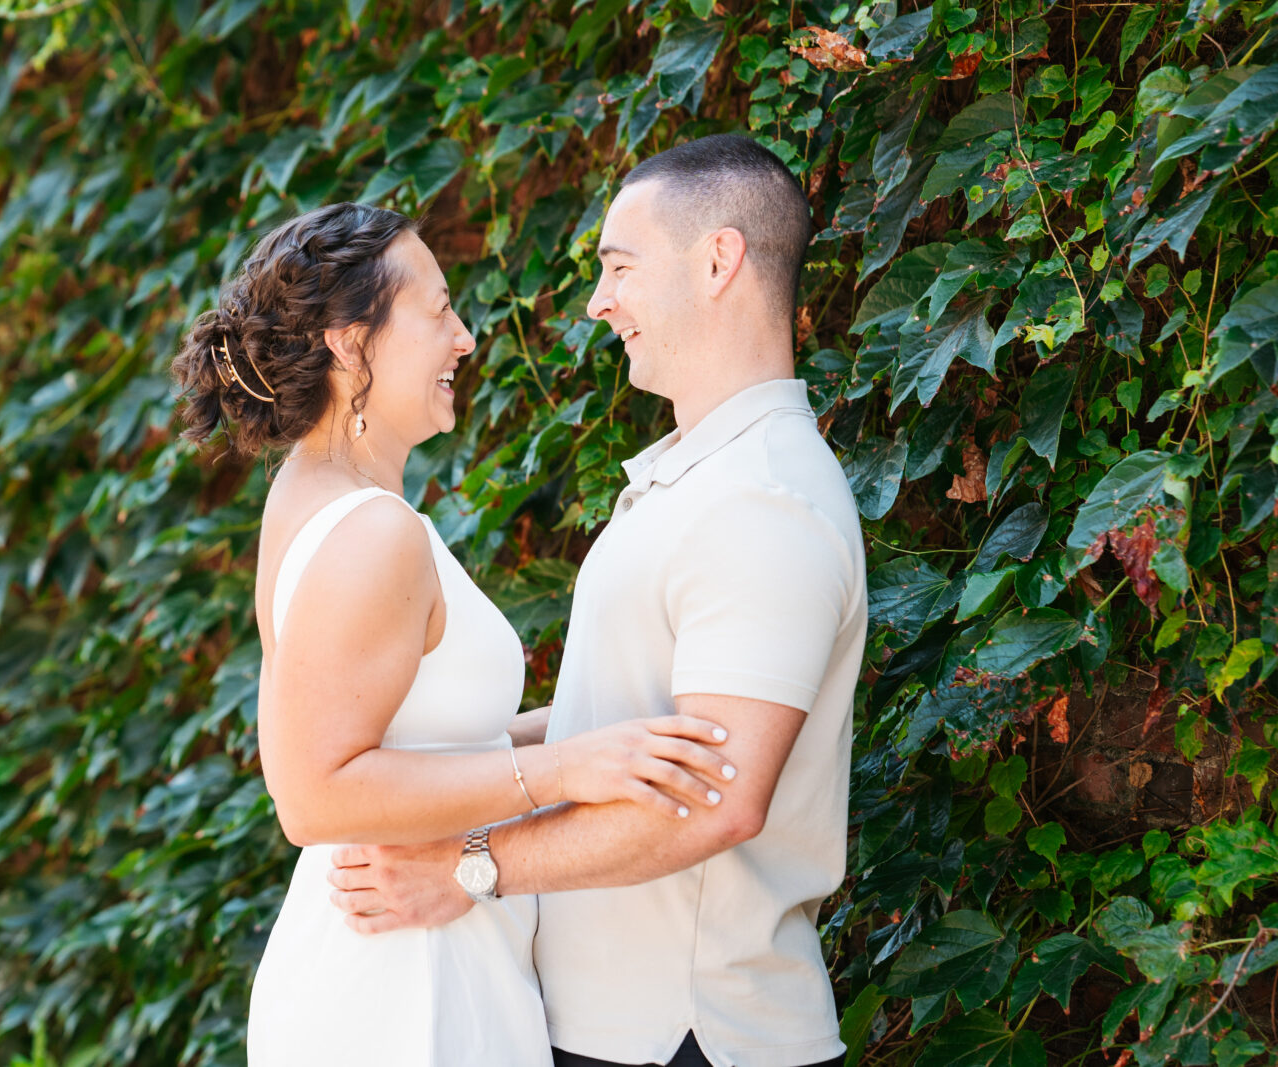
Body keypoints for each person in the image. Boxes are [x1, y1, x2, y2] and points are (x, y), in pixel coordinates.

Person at [326, 134, 866, 1067]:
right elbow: (620, 726)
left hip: (694, 1037)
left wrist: (468, 866)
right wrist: (446, 759)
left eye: (620, 267)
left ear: (718, 260)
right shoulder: (697, 480)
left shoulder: (764, 502)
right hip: (621, 1034)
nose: (598, 301)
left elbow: (715, 805)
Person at [169, 201, 738, 1067]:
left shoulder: (310, 491)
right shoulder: (372, 532)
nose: (466, 338)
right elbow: (312, 794)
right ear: (350, 342)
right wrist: (564, 767)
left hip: (416, 954)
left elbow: (419, 741)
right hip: (402, 984)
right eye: (438, 311)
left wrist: (590, 727)